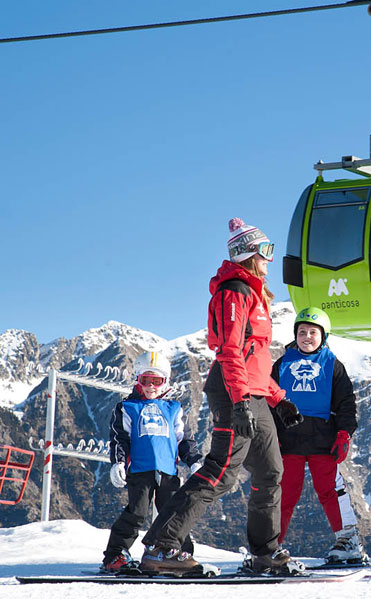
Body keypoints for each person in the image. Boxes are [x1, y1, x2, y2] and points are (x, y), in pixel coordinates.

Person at [140, 218, 304, 575]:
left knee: (271, 471)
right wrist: (241, 401)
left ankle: (265, 552)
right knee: (221, 473)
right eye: (266, 252)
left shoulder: (255, 292)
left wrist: (279, 399)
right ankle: (161, 548)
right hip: (234, 393)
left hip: (255, 393)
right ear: (249, 253)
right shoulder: (235, 291)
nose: (270, 260)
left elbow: (255, 358)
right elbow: (230, 351)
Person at [271, 306, 366, 564]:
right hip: (288, 440)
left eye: (313, 332)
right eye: (302, 332)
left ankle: (348, 540)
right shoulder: (282, 363)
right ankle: (271, 544)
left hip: (323, 440)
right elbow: (268, 401)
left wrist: (344, 434)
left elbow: (346, 403)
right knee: (285, 492)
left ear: (323, 336)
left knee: (330, 491)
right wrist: (271, 435)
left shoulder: (332, 364)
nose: (307, 337)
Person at [101, 351, 203, 572]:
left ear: (165, 381)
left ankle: (177, 553)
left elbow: (184, 439)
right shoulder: (127, 407)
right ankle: (115, 555)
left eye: (156, 381)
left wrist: (194, 461)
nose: (150, 386)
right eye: (145, 380)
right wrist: (118, 462)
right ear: (138, 380)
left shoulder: (173, 408)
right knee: (137, 512)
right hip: (140, 470)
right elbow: (119, 438)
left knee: (173, 512)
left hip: (168, 470)